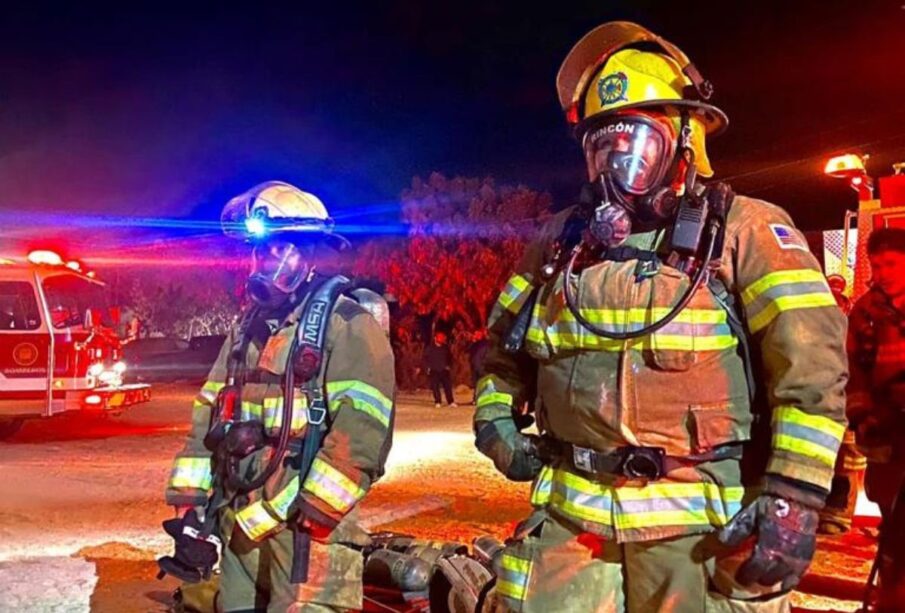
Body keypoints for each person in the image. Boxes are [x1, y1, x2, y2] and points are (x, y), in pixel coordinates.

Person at [474, 22, 848, 611]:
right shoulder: (558, 244)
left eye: (637, 144)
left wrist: (793, 495)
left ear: (685, 139)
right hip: (573, 530)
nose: (618, 166)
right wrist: (494, 420)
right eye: (604, 147)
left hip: (697, 534)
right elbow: (500, 353)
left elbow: (814, 376)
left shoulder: (746, 231)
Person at [160, 181, 395, 612]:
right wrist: (190, 507)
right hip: (241, 525)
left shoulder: (348, 325)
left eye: (277, 250)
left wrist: (319, 507)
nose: (263, 262)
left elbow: (364, 428)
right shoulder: (246, 328)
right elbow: (207, 417)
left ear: (309, 255)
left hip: (306, 532)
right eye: (259, 252)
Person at [847, 228, 905, 610]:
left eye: (891, 263)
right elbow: (856, 372)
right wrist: (865, 416)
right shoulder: (866, 311)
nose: (882, 271)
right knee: (895, 523)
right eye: (877, 264)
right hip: (889, 428)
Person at [820, 273, 866, 535]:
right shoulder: (816, 324)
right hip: (827, 399)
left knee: (848, 461)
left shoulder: (855, 323)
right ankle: (827, 510)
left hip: (849, 400)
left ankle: (839, 515)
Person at [422, 331, 456, 407]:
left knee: (447, 387)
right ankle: (438, 401)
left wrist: (449, 366)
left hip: (444, 370)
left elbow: (450, 358)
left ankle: (450, 401)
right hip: (434, 370)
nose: (442, 339)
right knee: (435, 387)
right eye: (440, 337)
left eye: (443, 337)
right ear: (435, 338)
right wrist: (427, 367)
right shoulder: (430, 348)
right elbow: (425, 358)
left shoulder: (445, 347)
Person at [468, 328, 490, 405]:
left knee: (483, 384)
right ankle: (475, 399)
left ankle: (483, 399)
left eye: (477, 334)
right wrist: (472, 342)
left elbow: (484, 355)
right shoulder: (474, 344)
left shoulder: (485, 344)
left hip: (482, 367)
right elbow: (468, 351)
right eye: (475, 334)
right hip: (475, 367)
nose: (475, 336)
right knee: (476, 384)